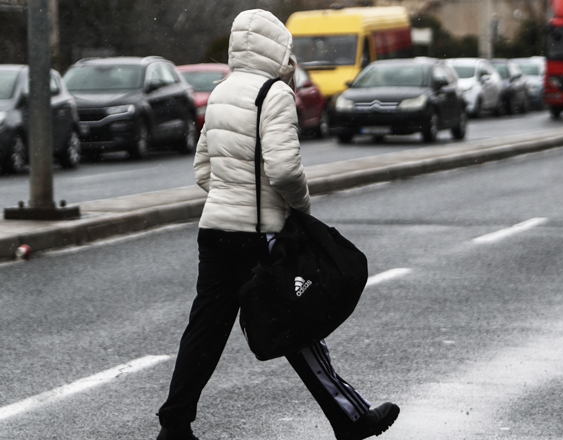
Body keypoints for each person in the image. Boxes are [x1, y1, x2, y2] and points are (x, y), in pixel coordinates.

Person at [155, 9, 400, 440]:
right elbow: (285, 171)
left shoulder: (220, 93)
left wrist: (231, 194)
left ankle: (175, 424)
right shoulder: (274, 94)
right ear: (276, 48)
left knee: (206, 330)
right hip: (259, 233)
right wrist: (299, 208)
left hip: (214, 231)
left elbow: (202, 170)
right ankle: (351, 417)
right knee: (296, 321)